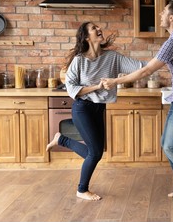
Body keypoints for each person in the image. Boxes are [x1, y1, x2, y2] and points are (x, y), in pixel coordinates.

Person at [102, 0, 173, 202]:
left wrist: (115, 81)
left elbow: (147, 71)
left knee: (171, 146)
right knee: (168, 143)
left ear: (172, 17)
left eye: (163, 12)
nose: (160, 15)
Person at [46, 22, 147, 201]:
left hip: (99, 108)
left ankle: (61, 139)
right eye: (94, 28)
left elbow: (141, 66)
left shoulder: (112, 58)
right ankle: (82, 189)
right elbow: (72, 89)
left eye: (98, 27)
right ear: (86, 37)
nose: (99, 29)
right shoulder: (79, 60)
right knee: (94, 153)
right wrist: (97, 86)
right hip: (82, 108)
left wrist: (164, 61)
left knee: (96, 153)